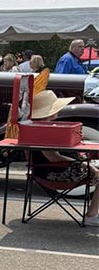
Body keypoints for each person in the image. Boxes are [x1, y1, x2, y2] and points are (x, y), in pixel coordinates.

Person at [27, 91, 99, 225]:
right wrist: (87, 165)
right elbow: (54, 158)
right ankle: (91, 215)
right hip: (54, 172)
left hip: (49, 169)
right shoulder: (44, 132)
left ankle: (93, 214)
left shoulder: (37, 127)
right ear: (50, 112)